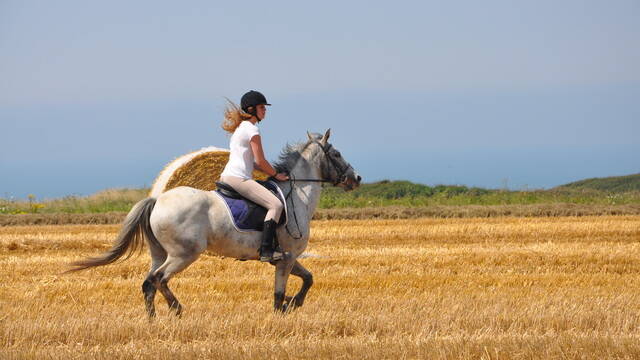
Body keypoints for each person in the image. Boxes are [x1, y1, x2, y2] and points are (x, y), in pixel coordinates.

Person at [219, 90, 289, 262]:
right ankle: (266, 250)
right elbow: (261, 160)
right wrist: (276, 175)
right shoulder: (252, 130)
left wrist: (267, 172)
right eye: (261, 107)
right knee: (276, 205)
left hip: (228, 176)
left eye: (264, 107)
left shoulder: (240, 129)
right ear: (251, 110)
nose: (265, 110)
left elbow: (255, 163)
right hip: (239, 179)